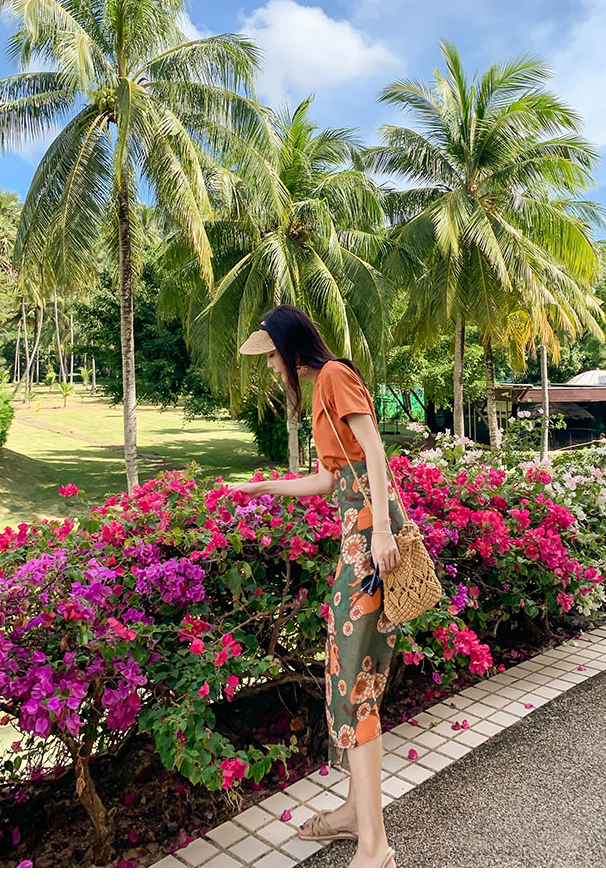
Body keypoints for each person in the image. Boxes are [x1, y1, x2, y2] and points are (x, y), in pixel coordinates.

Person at [235, 304, 401, 870]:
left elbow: (374, 451)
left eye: (273, 355)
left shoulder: (334, 375)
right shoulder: (321, 389)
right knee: (348, 674)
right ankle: (357, 813)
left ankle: (375, 847)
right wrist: (263, 489)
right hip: (356, 536)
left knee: (354, 681)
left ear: (287, 347)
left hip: (370, 536)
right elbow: (327, 479)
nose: (273, 367)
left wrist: (381, 527)